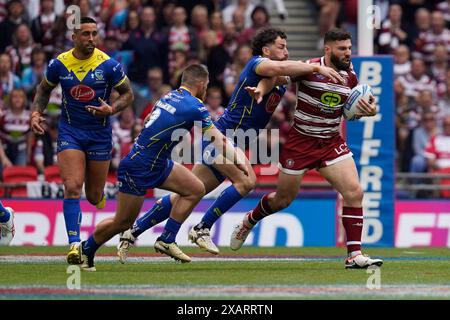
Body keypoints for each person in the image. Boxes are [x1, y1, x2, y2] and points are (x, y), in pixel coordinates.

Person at [117, 27, 344, 262]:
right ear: (266, 50)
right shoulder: (257, 62)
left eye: (286, 47)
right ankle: (202, 228)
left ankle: (134, 231)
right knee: (247, 181)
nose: (286, 51)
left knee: (190, 192)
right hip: (225, 136)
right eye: (281, 46)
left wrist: (261, 89)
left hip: (238, 139)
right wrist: (316, 66)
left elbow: (275, 79)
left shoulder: (276, 75)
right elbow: (277, 70)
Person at [230, 28, 384, 269]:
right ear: (328, 49)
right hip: (301, 143)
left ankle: (354, 255)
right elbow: (275, 77)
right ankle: (250, 220)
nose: (347, 54)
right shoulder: (309, 68)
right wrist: (261, 89)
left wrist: (369, 110)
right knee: (282, 200)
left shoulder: (351, 77)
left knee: (354, 193)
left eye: (349, 49)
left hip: (331, 142)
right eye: (342, 49)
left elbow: (353, 108)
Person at [74, 64, 247, 271]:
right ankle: (87, 249)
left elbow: (148, 120)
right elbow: (217, 139)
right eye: (207, 85)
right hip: (139, 166)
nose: (206, 89)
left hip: (158, 162)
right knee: (122, 222)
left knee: (196, 188)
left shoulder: (167, 96)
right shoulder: (195, 106)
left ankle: (167, 238)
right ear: (201, 84)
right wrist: (236, 159)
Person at [30, 17, 134, 264]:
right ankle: (74, 245)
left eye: (94, 34)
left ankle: (97, 197)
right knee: (72, 186)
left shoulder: (109, 65)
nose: (91, 39)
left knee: (93, 194)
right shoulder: (60, 64)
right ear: (74, 37)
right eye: (85, 34)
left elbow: (128, 94)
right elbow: (44, 90)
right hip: (71, 132)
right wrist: (36, 113)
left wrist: (112, 109)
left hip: (99, 135)